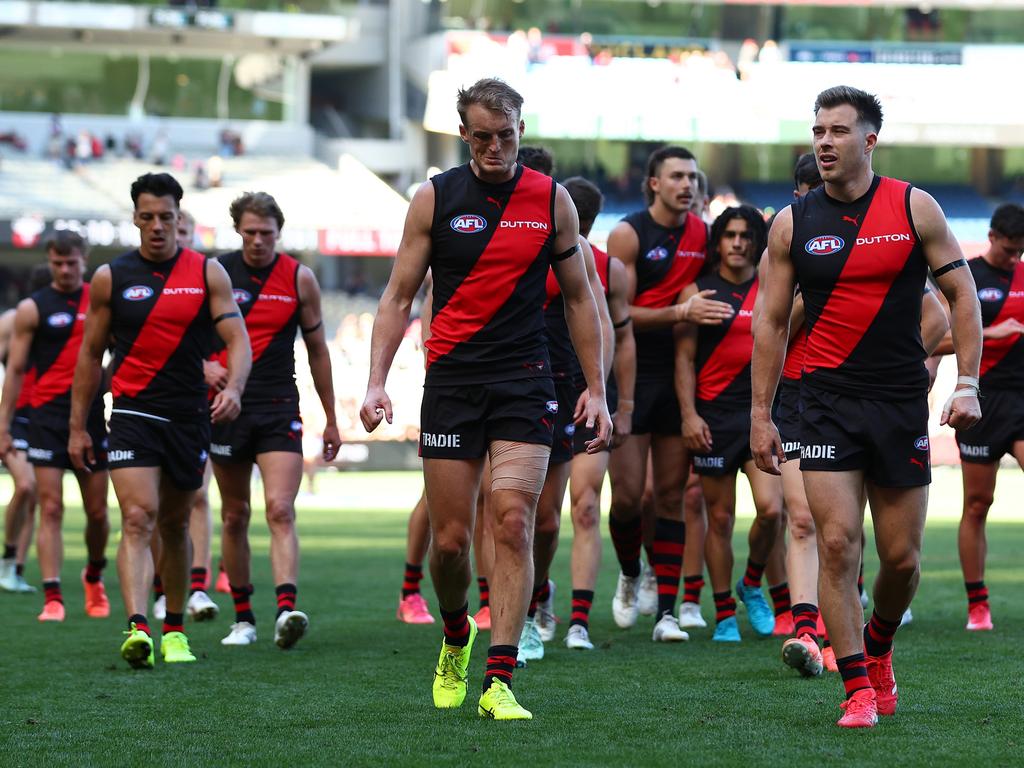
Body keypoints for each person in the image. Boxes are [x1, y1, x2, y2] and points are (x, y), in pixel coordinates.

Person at [360, 78, 611, 721]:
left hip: (527, 380)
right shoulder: (435, 197)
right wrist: (377, 381)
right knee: (449, 543)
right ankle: (454, 635)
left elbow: (582, 299)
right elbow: (398, 296)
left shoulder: (552, 201)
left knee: (514, 523)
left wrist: (597, 389)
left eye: (507, 135)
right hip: (450, 380)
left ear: (522, 130)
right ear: (464, 134)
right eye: (483, 136)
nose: (496, 147)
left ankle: (499, 679)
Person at [751, 85, 982, 728]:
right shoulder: (793, 222)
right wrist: (762, 415)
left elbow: (962, 298)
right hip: (823, 402)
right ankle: (856, 686)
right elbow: (769, 325)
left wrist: (967, 383)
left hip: (900, 401)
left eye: (838, 131)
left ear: (868, 140)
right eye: (817, 130)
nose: (823, 142)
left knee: (902, 559)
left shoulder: (915, 206)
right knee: (837, 543)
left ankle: (878, 649)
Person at [69, 172, 251, 669]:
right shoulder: (111, 278)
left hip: (189, 416)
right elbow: (89, 356)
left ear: (178, 217)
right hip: (130, 414)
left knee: (174, 523)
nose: (156, 226)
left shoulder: (207, 272)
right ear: (134, 218)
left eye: (166, 217)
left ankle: (175, 629)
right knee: (137, 516)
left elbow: (238, 340)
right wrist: (78, 426)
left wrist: (233, 387)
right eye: (147, 217)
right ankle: (138, 628)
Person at [605, 145, 733, 641]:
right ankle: (631, 571)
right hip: (632, 373)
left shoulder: (706, 234)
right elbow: (617, 314)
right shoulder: (628, 234)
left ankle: (666, 610)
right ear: (653, 183)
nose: (688, 185)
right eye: (677, 176)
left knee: (671, 497)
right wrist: (680, 314)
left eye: (694, 177)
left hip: (683, 372)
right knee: (629, 499)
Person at [210, 191, 340, 649]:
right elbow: (184, 335)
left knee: (280, 509)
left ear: (278, 233)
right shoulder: (216, 272)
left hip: (279, 406)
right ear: (237, 231)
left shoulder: (299, 278)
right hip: (226, 407)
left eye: (267, 233)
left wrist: (331, 418)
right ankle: (243, 619)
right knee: (233, 514)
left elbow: (319, 350)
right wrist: (205, 368)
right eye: (250, 232)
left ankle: (286, 609)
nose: (258, 241)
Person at [676, 206, 782, 643]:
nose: (738, 243)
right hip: (713, 419)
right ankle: (723, 615)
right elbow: (682, 359)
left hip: (759, 416)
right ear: (718, 242)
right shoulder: (698, 290)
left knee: (772, 510)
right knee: (719, 519)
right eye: (730, 235)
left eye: (746, 235)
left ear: (757, 242)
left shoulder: (772, 287)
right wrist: (689, 414)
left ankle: (751, 582)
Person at [0, 232, 111, 622]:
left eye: (71, 262)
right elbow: (14, 370)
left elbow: (122, 349)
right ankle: (53, 597)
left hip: (93, 417)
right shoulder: (33, 308)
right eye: (57, 263)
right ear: (49, 262)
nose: (64, 269)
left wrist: (110, 383)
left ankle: (94, 574)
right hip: (47, 419)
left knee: (97, 513)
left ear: (84, 260)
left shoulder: (101, 299)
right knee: (50, 507)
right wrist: (2, 426)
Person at [934, 202, 1024, 633]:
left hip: (1022, 400)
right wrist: (994, 333)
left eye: (1020, 251)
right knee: (977, 503)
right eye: (1009, 250)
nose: (1014, 259)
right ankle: (978, 605)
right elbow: (936, 340)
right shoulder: (965, 275)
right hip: (983, 402)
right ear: (991, 237)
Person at [562, 176, 636, 651]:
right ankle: (536, 606)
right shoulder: (529, 256)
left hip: (588, 396)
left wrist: (612, 398)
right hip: (536, 394)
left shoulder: (607, 269)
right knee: (542, 518)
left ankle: (579, 623)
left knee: (587, 505)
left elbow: (618, 335)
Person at [0, 302, 38, 594]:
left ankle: (15, 569)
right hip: (14, 416)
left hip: (46, 416)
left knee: (34, 493)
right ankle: (8, 560)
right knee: (25, 485)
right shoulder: (13, 320)